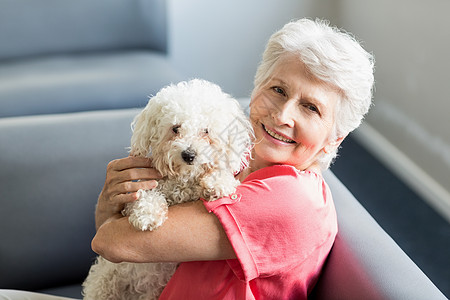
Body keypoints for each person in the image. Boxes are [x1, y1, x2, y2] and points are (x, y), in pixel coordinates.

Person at [93, 18, 375, 299]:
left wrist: (110, 209)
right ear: (256, 87)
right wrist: (113, 201)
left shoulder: (291, 199)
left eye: (310, 107)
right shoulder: (233, 145)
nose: (281, 115)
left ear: (334, 139)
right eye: (278, 90)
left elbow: (113, 242)